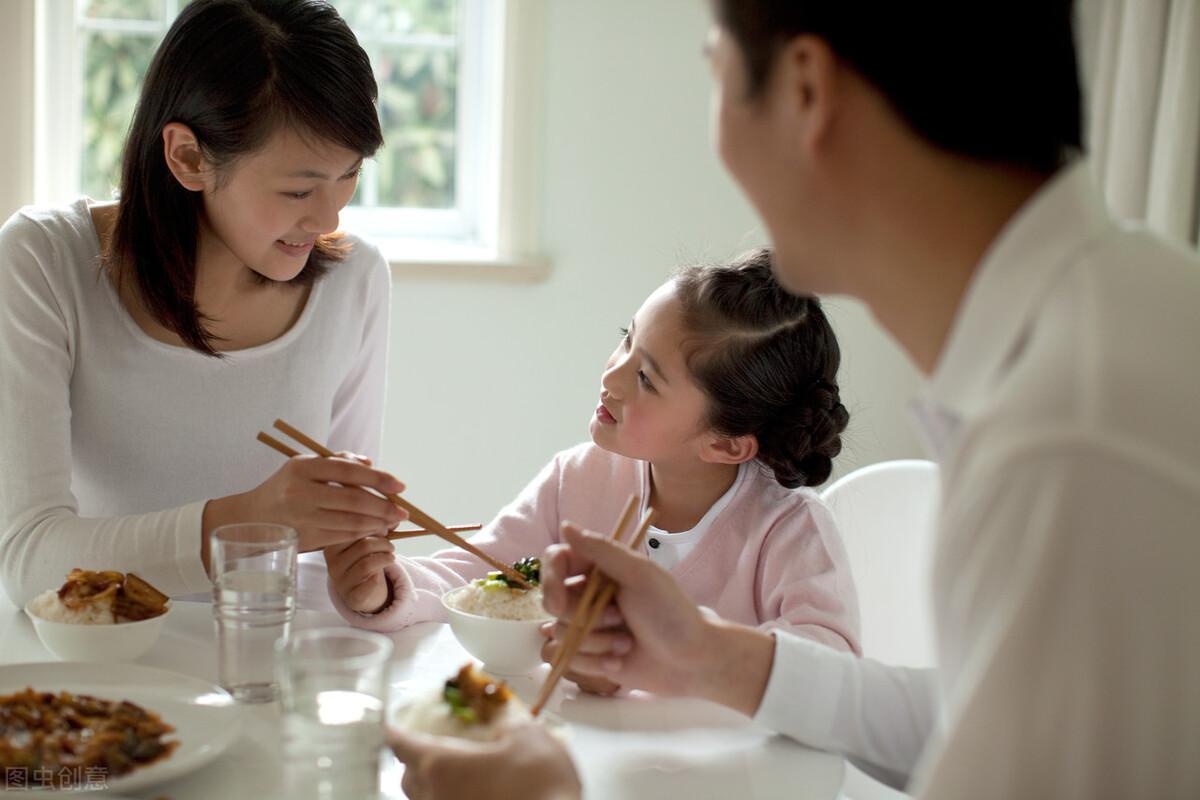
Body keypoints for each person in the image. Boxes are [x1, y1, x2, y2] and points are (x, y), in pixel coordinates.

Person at [389, 1, 1200, 798]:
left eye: (714, 69)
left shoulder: (1078, 435)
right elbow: (983, 723)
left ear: (805, 90)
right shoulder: (1098, 341)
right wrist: (711, 656)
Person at [0, 0, 407, 608]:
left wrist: (368, 588)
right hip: (96, 675)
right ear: (187, 157)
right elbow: (30, 561)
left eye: (349, 175)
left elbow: (335, 552)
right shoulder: (43, 262)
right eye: (298, 188)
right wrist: (249, 521)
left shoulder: (355, 279)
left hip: (269, 666)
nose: (329, 215)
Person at [331, 251, 861, 694]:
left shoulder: (789, 531)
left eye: (647, 379)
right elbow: (479, 573)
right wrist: (384, 588)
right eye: (626, 339)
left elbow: (831, 667)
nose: (611, 375)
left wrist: (648, 657)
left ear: (725, 443)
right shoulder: (578, 478)